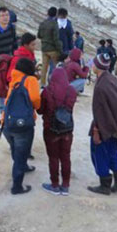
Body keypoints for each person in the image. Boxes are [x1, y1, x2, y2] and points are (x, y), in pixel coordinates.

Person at [88, 53, 117, 195]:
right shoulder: (112, 79)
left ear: (98, 66)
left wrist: (97, 130)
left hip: (106, 126)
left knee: (99, 152)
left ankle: (105, 185)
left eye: (94, 63)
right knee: (112, 152)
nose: (92, 65)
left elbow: (100, 112)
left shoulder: (101, 86)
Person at [3, 58, 41, 195]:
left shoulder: (14, 80)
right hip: (23, 124)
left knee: (15, 149)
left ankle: (23, 166)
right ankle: (17, 186)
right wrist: (35, 108)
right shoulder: (30, 80)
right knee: (21, 152)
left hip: (7, 123)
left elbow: (7, 101)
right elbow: (36, 99)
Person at [37, 65, 77, 195]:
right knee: (66, 157)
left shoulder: (47, 91)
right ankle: (65, 185)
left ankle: (54, 185)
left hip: (51, 129)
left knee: (53, 157)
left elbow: (40, 110)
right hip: (67, 129)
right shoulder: (72, 91)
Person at [37, 7, 61, 85]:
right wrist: (60, 49)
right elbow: (56, 38)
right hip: (53, 49)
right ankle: (53, 84)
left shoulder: (43, 23)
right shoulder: (54, 24)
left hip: (44, 48)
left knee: (44, 68)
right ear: (56, 14)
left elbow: (39, 35)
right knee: (56, 67)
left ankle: (42, 84)